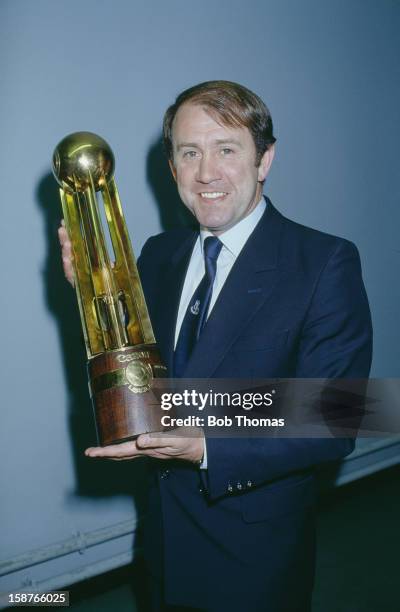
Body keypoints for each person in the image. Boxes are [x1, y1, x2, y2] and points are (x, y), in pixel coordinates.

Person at [58, 80, 373, 612]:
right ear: (172, 166)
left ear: (265, 159)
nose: (207, 172)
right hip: (160, 541)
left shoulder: (322, 263)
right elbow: (151, 377)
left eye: (227, 149)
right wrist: (95, 294)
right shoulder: (158, 255)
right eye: (190, 152)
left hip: (252, 555)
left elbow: (334, 418)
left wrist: (207, 445)